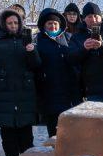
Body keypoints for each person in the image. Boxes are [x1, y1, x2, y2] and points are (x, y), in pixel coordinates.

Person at [0, 9, 41, 156]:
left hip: (24, 89)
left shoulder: (26, 40)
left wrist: (32, 51)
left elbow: (36, 65)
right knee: (7, 127)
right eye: (9, 23)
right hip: (2, 89)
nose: (13, 26)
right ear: (4, 24)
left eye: (16, 22)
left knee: (25, 125)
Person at [34, 8, 81, 137]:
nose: (53, 26)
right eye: (49, 23)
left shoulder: (69, 38)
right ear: (44, 25)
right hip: (49, 90)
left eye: (55, 23)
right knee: (54, 129)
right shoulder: (38, 41)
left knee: (71, 128)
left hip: (69, 90)